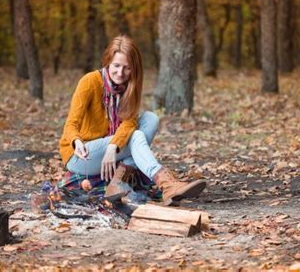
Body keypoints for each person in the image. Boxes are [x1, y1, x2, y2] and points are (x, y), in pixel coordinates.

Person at [59, 35, 206, 206]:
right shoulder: (90, 82)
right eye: (116, 66)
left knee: (151, 118)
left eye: (127, 68)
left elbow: (129, 123)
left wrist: (113, 147)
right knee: (136, 136)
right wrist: (76, 142)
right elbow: (71, 124)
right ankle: (166, 183)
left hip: (111, 149)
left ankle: (118, 180)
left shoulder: (129, 86)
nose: (120, 73)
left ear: (134, 68)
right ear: (107, 61)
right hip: (82, 156)